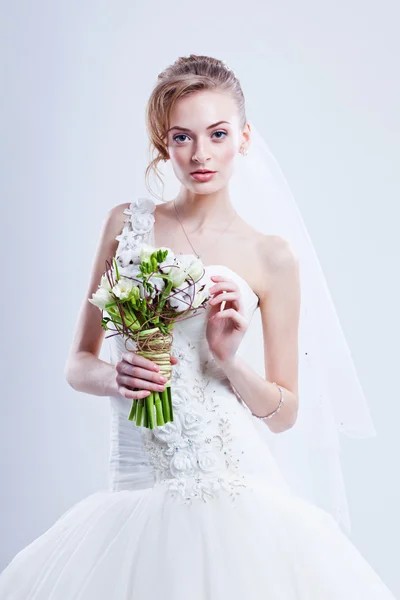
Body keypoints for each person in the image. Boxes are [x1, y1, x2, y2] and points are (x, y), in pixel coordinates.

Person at [0, 54, 396, 599]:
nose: (201, 153)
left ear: (245, 137)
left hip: (228, 478)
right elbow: (78, 363)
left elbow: (284, 413)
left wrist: (229, 359)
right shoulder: (126, 224)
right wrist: (118, 377)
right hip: (135, 475)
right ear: (164, 144)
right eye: (182, 137)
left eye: (217, 133)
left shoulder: (270, 256)